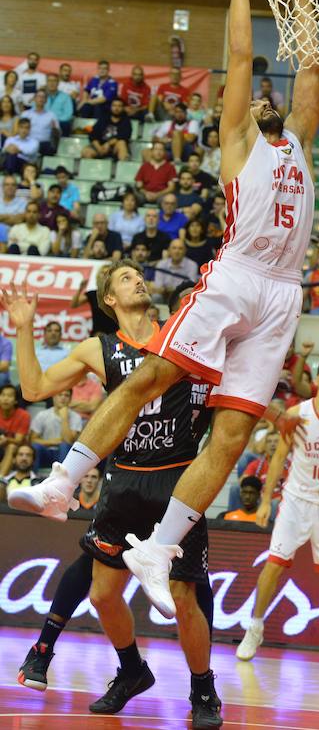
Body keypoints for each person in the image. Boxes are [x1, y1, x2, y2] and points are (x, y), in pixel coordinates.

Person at [10, 0, 319, 627]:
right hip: (238, 273)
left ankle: (163, 546)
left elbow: (308, 66)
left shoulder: (300, 139)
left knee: (235, 434)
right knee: (151, 375)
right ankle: (63, 480)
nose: (271, 100)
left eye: (278, 101)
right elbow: (242, 53)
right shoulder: (241, 140)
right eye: (263, 99)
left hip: (282, 294)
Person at [3, 264, 220, 726]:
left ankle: (203, 692)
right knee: (102, 594)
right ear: (109, 300)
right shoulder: (98, 349)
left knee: (184, 595)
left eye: (139, 275)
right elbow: (34, 388)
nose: (138, 280)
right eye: (125, 278)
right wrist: (24, 330)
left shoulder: (179, 334)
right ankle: (131, 670)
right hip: (123, 480)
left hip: (177, 481)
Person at [235, 358, 319, 669]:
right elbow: (279, 457)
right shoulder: (296, 414)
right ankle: (254, 628)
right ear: (317, 380)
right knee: (273, 565)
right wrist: (267, 500)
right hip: (295, 501)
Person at [30, 389, 82, 469]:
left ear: (70, 399)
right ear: (53, 397)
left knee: (64, 446)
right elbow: (33, 440)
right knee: (36, 447)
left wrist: (64, 418)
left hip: (66, 454)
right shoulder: (42, 415)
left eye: (66, 395)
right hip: (46, 452)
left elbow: (69, 441)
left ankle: (63, 478)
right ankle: (32, 477)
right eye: (60, 395)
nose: (63, 398)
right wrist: (53, 442)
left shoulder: (76, 417)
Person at [0, 384, 31, 477]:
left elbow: (18, 440)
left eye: (9, 396)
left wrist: (6, 440)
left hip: (17, 449)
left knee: (11, 446)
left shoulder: (24, 415)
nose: (5, 399)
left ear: (16, 400)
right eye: (3, 395)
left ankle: (1, 478)